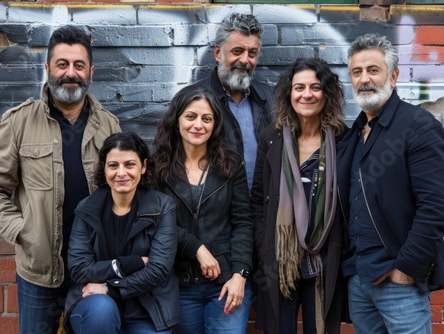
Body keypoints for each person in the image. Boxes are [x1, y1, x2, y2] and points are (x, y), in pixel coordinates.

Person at [0, 25, 121, 333]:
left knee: (102, 319)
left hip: (91, 269)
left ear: (90, 71)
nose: (71, 73)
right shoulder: (19, 123)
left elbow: (123, 193)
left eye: (79, 65)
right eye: (62, 64)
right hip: (39, 271)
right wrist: (22, 230)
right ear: (47, 69)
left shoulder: (109, 126)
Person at [337, 33, 444, 334]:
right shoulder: (355, 134)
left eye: (373, 70)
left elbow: (437, 207)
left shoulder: (418, 126)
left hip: (398, 283)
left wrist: (406, 270)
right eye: (357, 72)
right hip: (359, 280)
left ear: (394, 75)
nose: (364, 79)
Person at [251, 58, 348, 334]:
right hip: (280, 263)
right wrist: (265, 243)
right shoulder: (271, 139)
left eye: (316, 87)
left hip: (325, 263)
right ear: (289, 93)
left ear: (327, 93)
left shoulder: (343, 139)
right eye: (299, 87)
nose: (307, 94)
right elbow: (257, 199)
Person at [153, 85, 253, 334]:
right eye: (191, 116)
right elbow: (154, 223)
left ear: (215, 124)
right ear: (177, 121)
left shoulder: (231, 164)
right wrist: (196, 247)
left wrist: (240, 274)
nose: (198, 125)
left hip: (226, 282)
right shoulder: (158, 167)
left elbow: (243, 222)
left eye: (207, 119)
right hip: (180, 283)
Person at [64, 132, 179, 333]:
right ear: (104, 168)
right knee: (102, 309)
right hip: (94, 305)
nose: (121, 173)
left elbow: (158, 270)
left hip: (146, 308)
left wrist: (111, 288)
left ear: (143, 166)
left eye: (129, 164)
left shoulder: (163, 207)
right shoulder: (86, 209)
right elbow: (79, 268)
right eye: (113, 165)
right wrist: (125, 265)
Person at [195, 12, 273, 190]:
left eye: (252, 53)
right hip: (217, 213)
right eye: (237, 51)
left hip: (262, 210)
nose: (245, 60)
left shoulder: (270, 98)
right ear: (217, 53)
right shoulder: (192, 99)